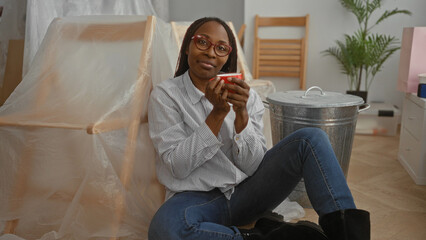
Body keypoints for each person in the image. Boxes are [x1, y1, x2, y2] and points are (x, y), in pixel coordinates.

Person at [147, 17, 370, 240]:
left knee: (310, 139)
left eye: (221, 48)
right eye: (202, 42)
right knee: (164, 229)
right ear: (188, 46)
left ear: (227, 57)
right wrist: (217, 115)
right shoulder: (166, 96)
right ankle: (264, 234)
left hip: (248, 192)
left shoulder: (247, 98)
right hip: (196, 199)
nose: (211, 53)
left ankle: (348, 236)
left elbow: (254, 166)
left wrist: (242, 115)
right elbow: (178, 167)